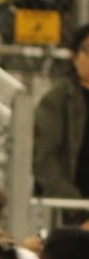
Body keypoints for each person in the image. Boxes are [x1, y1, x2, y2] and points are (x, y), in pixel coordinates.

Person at [33, 22, 89, 220]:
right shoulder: (58, 98)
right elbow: (45, 159)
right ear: (75, 57)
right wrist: (75, 207)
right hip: (69, 209)